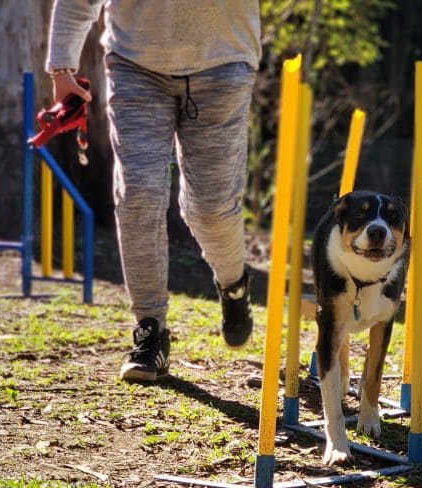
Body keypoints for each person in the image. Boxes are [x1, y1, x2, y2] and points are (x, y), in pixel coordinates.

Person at [45, 0, 261, 382]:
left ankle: (233, 285)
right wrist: (62, 66)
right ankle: (150, 331)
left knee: (210, 209)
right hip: (135, 66)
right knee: (138, 195)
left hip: (223, 64)